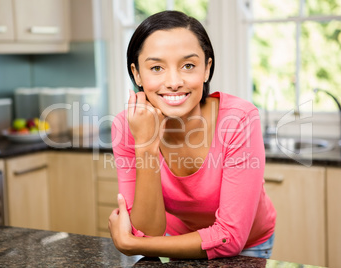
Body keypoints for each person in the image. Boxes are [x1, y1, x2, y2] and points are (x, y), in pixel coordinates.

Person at [109, 10, 276, 260]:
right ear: (136, 74)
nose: (174, 81)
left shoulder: (239, 119)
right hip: (178, 242)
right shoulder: (127, 127)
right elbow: (145, 231)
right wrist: (146, 146)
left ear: (207, 69)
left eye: (188, 65)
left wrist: (132, 245)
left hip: (248, 246)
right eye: (156, 67)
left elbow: (230, 238)